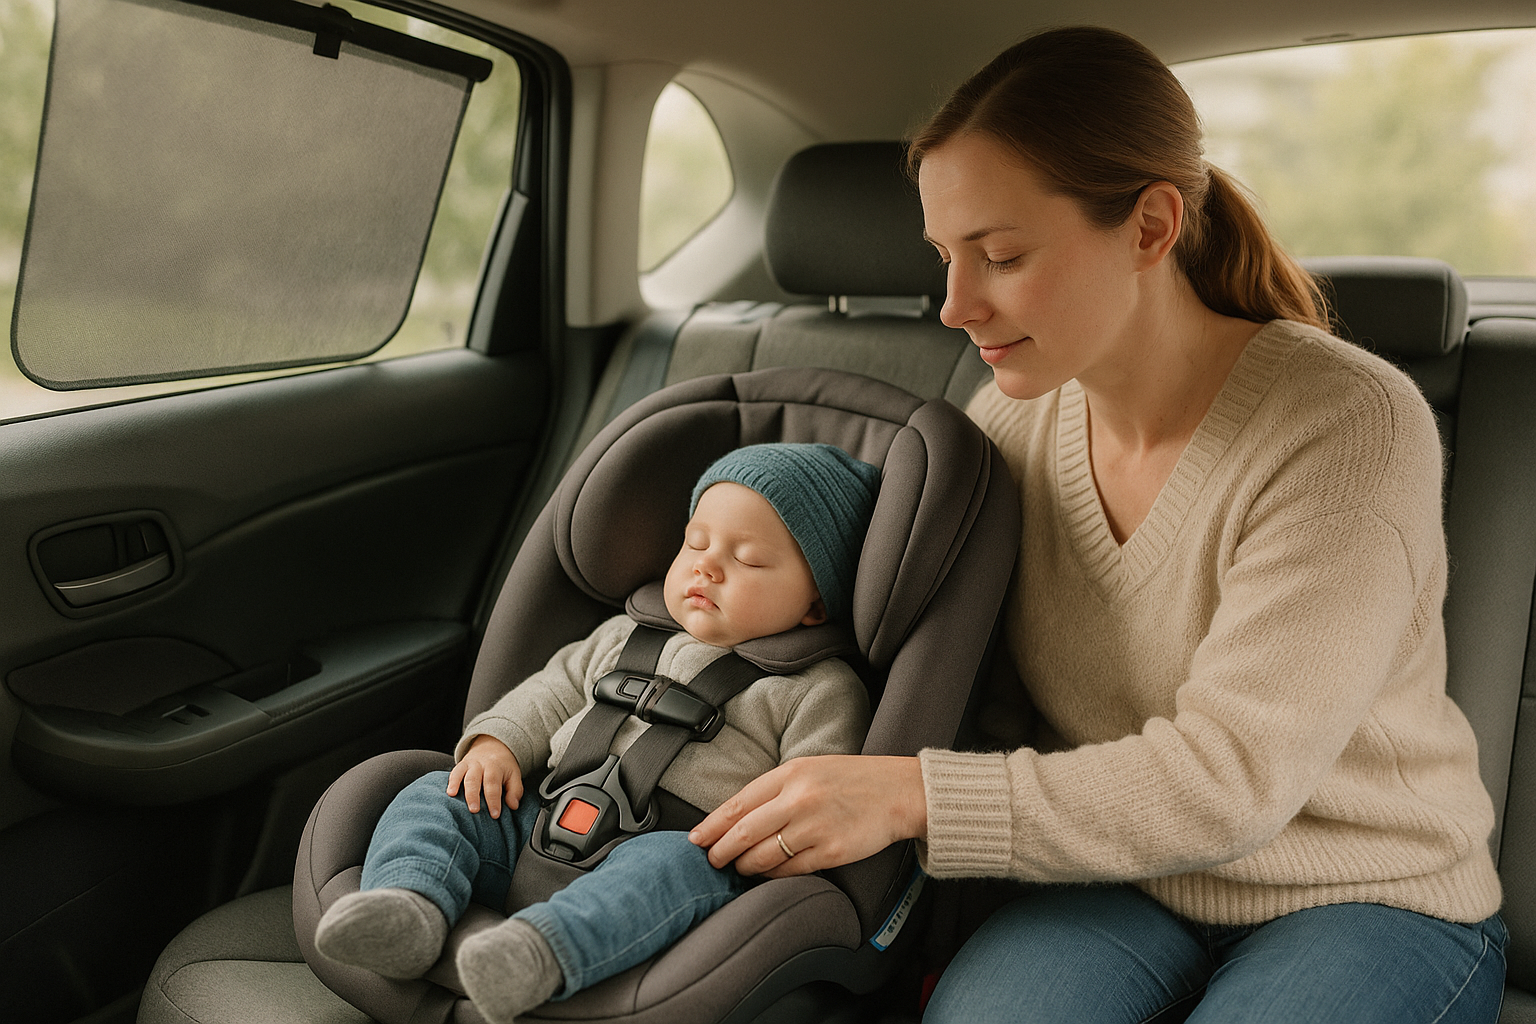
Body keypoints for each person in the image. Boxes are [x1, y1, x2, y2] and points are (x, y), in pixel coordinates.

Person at [687, 26, 1507, 1023]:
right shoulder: (1011, 423)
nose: (953, 305)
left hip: (1368, 894)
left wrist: (915, 796)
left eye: (1001, 255)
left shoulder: (1345, 425)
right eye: (945, 257)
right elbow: (968, 688)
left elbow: (1230, 781)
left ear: (1152, 227)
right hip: (1116, 881)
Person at [313, 442, 878, 1024]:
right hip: (539, 813)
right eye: (696, 543)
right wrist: (497, 743)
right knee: (436, 795)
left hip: (679, 847)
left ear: (816, 604)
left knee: (669, 868)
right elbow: (551, 693)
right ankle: (406, 907)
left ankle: (536, 953)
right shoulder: (622, 635)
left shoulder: (819, 688)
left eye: (749, 559)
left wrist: (759, 852)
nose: (706, 566)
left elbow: (818, 795)